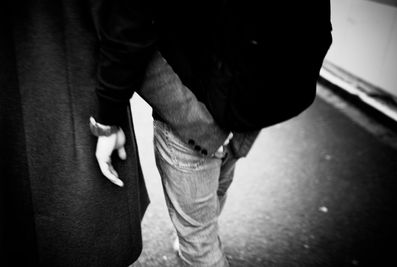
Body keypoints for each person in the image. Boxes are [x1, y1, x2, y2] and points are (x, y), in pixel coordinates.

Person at [91, 1, 332, 266]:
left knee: (200, 246)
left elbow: (128, 30)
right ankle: (198, 233)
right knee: (216, 192)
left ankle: (196, 240)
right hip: (246, 105)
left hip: (192, 109)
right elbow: (316, 34)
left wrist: (108, 119)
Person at [0, 1, 149, 266]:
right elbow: (127, 26)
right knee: (85, 241)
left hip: (67, 116)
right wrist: (107, 121)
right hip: (78, 111)